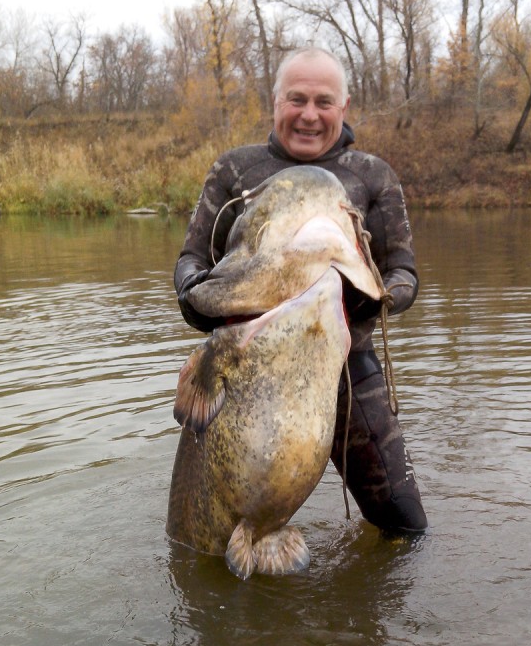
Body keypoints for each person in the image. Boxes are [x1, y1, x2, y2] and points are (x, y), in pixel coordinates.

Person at [174, 46, 428, 534]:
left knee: (405, 525)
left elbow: (404, 271)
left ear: (344, 107)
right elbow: (192, 260)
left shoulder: (373, 175)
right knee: (208, 534)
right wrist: (193, 295)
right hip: (246, 369)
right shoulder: (233, 170)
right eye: (297, 99)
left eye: (323, 101)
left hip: (347, 372)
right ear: (275, 102)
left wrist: (377, 296)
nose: (309, 114)